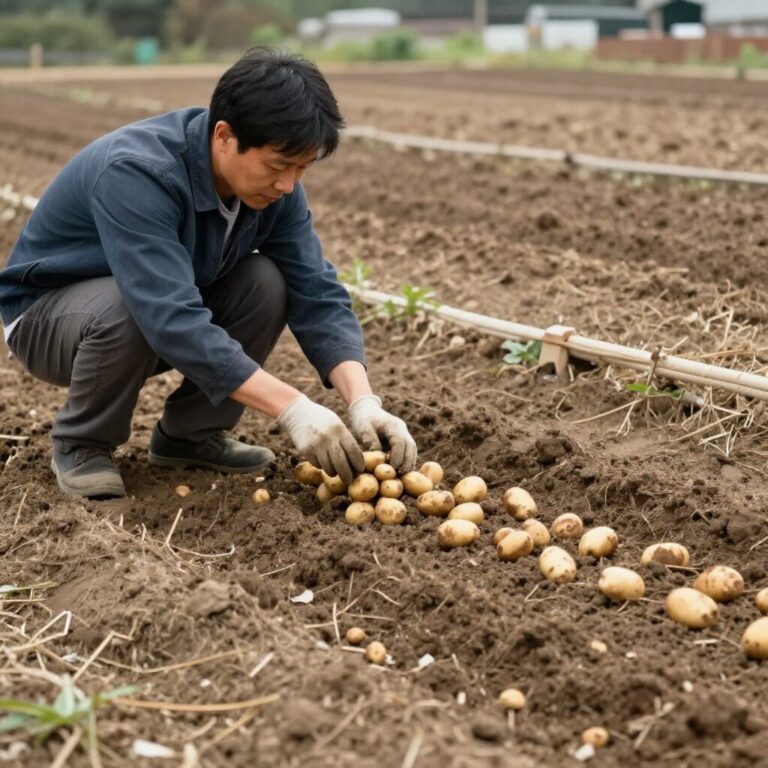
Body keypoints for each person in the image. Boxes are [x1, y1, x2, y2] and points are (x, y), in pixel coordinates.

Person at [0, 48, 417, 499]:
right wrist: (293, 409)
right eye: (278, 165)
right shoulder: (138, 173)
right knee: (127, 305)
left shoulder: (278, 192)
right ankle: (83, 444)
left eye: (302, 168)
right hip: (48, 319)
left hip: (149, 309)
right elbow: (167, 315)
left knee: (266, 280)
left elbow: (315, 288)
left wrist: (362, 401)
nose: (288, 184)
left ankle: (190, 437)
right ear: (224, 136)